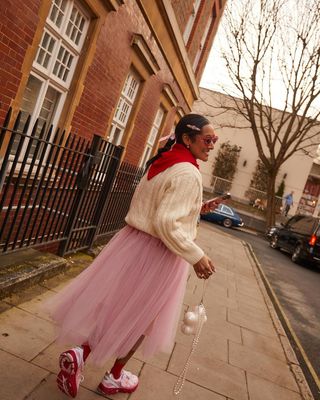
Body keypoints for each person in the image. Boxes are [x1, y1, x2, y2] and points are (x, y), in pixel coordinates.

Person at [46, 114, 219, 398]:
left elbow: (158, 207)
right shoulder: (189, 173)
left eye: (215, 141)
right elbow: (166, 222)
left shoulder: (162, 163)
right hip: (159, 254)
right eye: (207, 139)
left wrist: (196, 207)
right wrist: (197, 256)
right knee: (144, 319)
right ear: (188, 139)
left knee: (119, 307)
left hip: (133, 244)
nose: (211, 145)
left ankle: (81, 353)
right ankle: (112, 377)